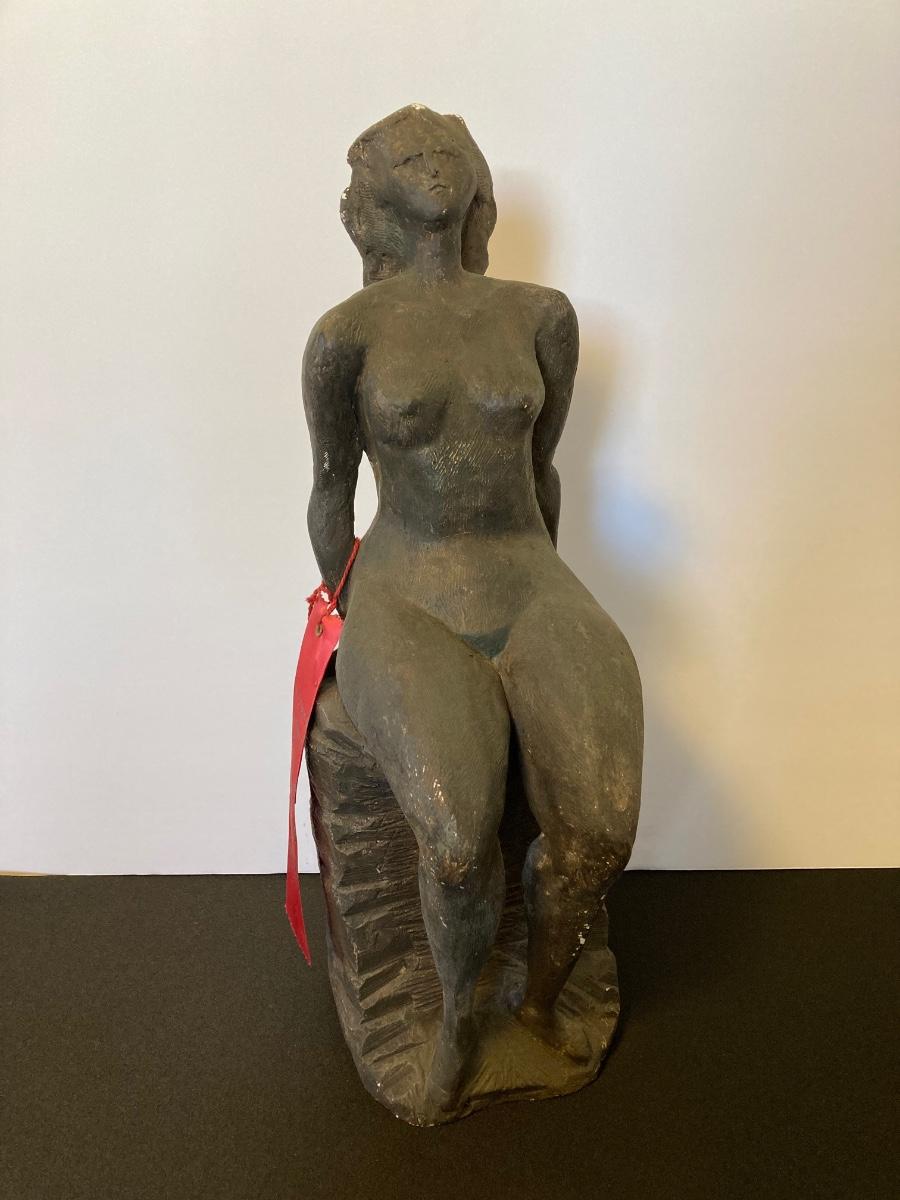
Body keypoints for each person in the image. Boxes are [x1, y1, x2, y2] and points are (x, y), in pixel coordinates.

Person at [302, 104, 642, 1112]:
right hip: (406, 592)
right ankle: (455, 1022)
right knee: (456, 845)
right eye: (406, 154)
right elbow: (331, 494)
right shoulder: (346, 334)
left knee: (600, 830)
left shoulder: (540, 315)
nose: (432, 162)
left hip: (528, 580)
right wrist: (346, 620)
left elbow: (543, 472)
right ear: (373, 196)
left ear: (476, 176)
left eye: (445, 147)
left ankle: (536, 1008)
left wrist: (549, 606)